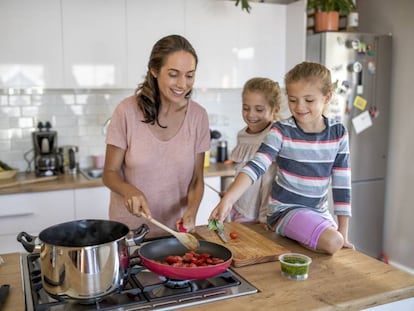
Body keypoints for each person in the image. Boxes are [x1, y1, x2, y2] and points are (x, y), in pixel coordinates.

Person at [210, 61, 354, 255]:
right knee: (332, 242)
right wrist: (228, 199)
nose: (299, 107)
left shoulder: (338, 132)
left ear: (327, 97)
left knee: (336, 240)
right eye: (293, 100)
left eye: (308, 100)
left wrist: (344, 232)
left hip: (319, 212)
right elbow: (256, 166)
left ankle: (297, 238)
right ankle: (287, 231)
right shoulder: (282, 131)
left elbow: (342, 184)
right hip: (284, 210)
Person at [103, 34, 210, 238]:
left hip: (175, 235)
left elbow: (197, 179)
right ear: (154, 70)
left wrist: (192, 212)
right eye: (173, 74)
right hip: (130, 235)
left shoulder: (198, 117)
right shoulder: (126, 111)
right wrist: (128, 190)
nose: (182, 84)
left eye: (189, 75)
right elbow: (110, 172)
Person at [227, 77, 281, 223]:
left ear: (275, 110)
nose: (251, 114)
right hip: (239, 208)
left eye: (259, 109)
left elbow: (269, 180)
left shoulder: (274, 135)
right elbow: (241, 171)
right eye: (246, 108)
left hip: (260, 216)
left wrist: (264, 217)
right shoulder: (242, 135)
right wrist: (231, 194)